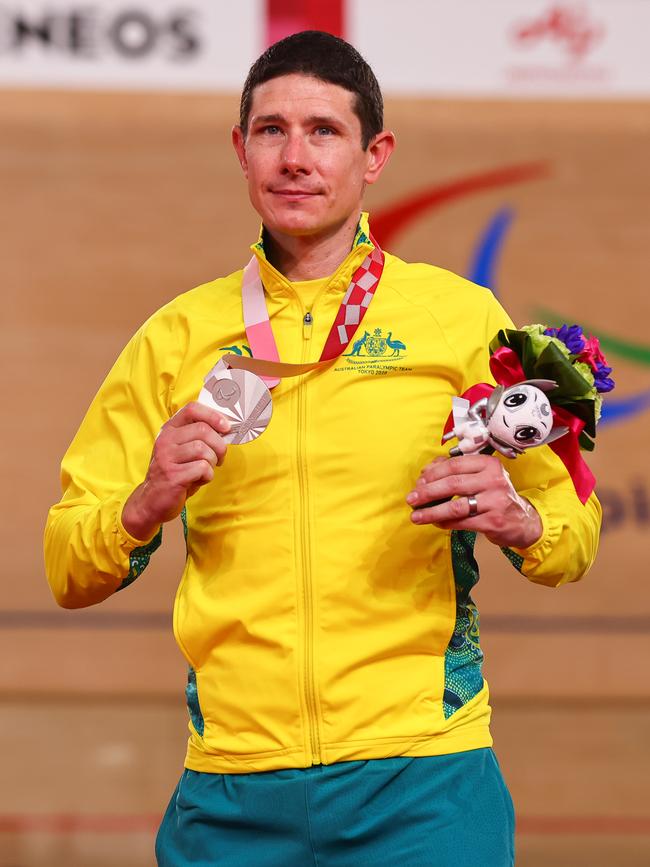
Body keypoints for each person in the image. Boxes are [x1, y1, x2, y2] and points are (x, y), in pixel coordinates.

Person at [44, 30, 601, 867]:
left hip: (424, 781)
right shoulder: (177, 337)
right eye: (271, 131)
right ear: (240, 150)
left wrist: (521, 517)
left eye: (324, 131)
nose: (294, 157)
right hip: (232, 787)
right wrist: (142, 504)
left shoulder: (458, 317)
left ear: (375, 154)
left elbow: (574, 531)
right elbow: (66, 565)